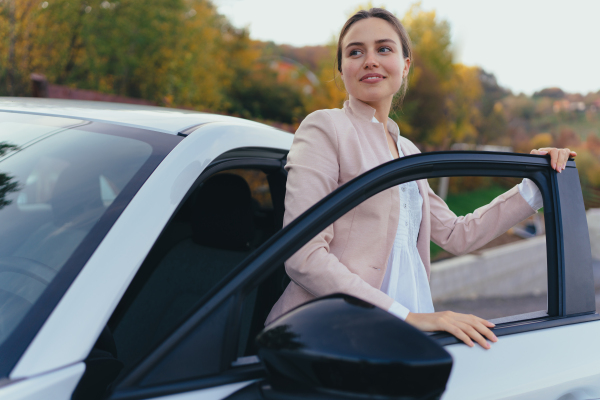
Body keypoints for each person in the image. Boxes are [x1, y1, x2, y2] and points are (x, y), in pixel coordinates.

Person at [265, 8, 576, 349]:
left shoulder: (408, 151)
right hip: (326, 338)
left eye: (384, 49)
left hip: (406, 334)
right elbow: (303, 254)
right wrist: (406, 316)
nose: (370, 60)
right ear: (341, 69)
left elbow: (457, 235)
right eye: (355, 52)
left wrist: (536, 185)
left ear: (405, 64)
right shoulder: (325, 128)